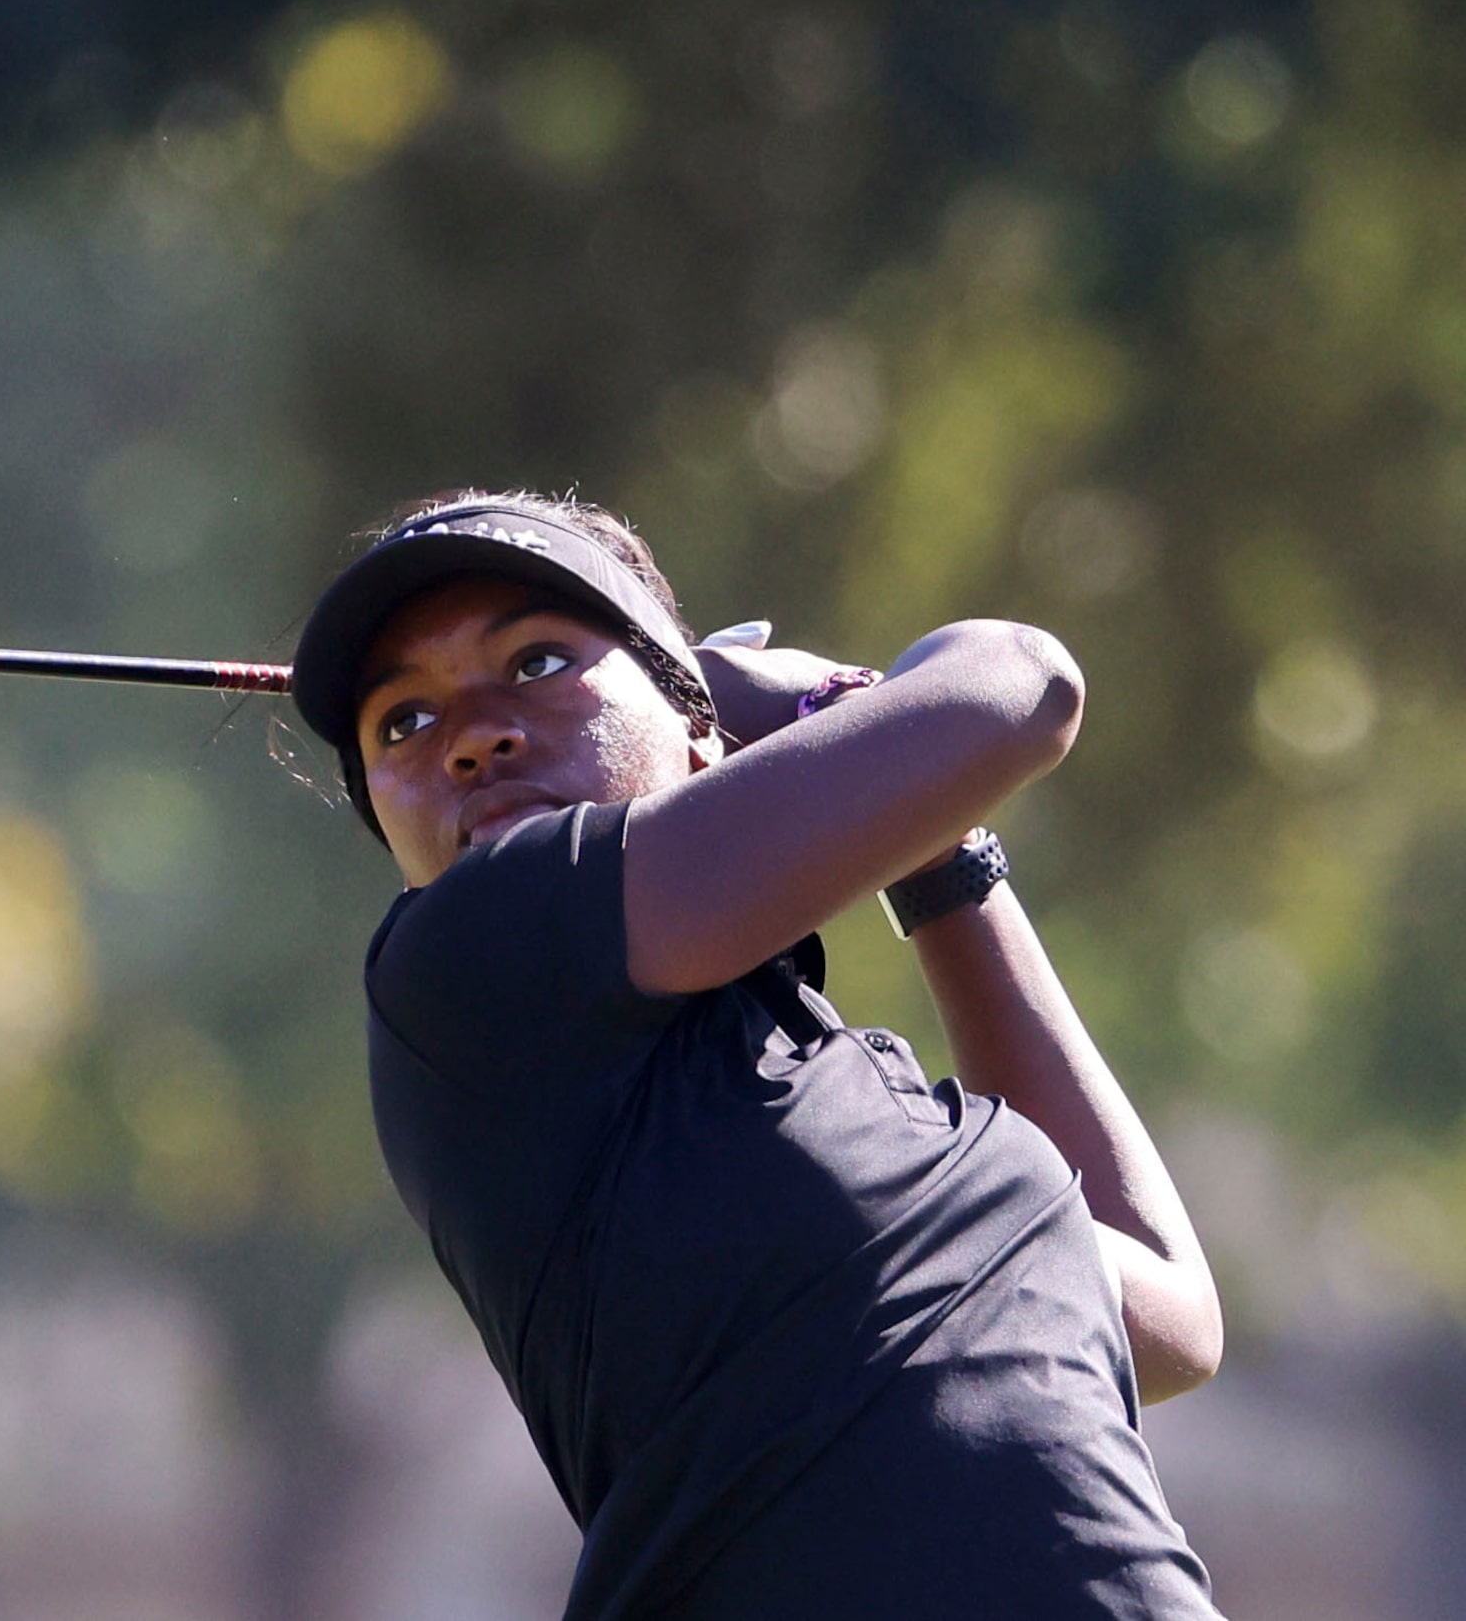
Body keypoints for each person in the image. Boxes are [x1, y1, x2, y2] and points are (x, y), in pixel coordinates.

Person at [291, 490, 1222, 1620]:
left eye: (535, 663)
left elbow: (1161, 1316)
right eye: (399, 722)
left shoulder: (855, 1109)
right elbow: (1021, 689)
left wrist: (938, 860)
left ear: (698, 734)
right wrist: (839, 700)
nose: (470, 735)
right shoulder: (466, 952)